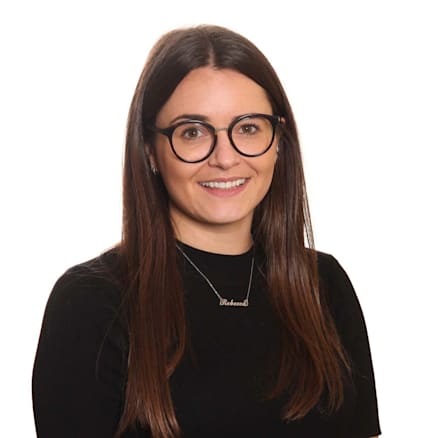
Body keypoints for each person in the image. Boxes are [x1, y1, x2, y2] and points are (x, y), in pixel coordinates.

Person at [32, 25, 381, 438]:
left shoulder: (324, 285)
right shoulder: (91, 303)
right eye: (193, 132)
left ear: (279, 141)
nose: (226, 158)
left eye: (249, 127)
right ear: (151, 152)